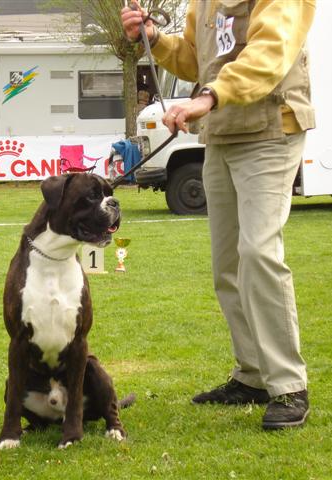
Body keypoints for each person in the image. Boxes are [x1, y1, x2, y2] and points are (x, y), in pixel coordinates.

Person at [121, 0, 316, 430]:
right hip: (223, 134)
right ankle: (252, 376)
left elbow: (270, 50)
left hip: (270, 129)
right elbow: (196, 58)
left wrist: (208, 98)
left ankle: (288, 385)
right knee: (227, 265)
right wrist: (155, 39)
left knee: (259, 252)